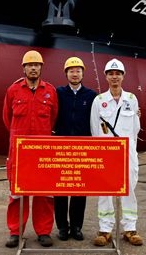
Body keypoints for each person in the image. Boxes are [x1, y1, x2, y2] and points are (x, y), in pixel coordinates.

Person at [2, 50, 58, 248]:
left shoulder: (50, 91)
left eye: (37, 65)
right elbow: (7, 119)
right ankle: (15, 232)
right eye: (30, 65)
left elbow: (53, 118)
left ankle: (43, 232)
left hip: (43, 151)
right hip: (20, 152)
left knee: (44, 193)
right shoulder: (13, 90)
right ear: (24, 68)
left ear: (41, 68)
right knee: (17, 194)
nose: (33, 68)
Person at [90, 58, 143, 247]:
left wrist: (131, 148)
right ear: (106, 77)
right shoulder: (99, 101)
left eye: (118, 74)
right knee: (105, 190)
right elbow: (95, 129)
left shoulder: (131, 99)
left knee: (129, 189)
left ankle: (130, 229)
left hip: (127, 151)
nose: (114, 77)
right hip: (106, 152)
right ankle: (105, 230)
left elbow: (136, 128)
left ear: (123, 76)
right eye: (111, 74)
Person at [53, 57, 97, 241]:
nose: (75, 73)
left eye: (78, 70)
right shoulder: (58, 93)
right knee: (60, 190)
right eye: (71, 70)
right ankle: (62, 227)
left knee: (80, 190)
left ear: (83, 73)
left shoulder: (91, 95)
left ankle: (77, 227)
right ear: (66, 73)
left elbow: (100, 117)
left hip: (82, 148)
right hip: (61, 147)